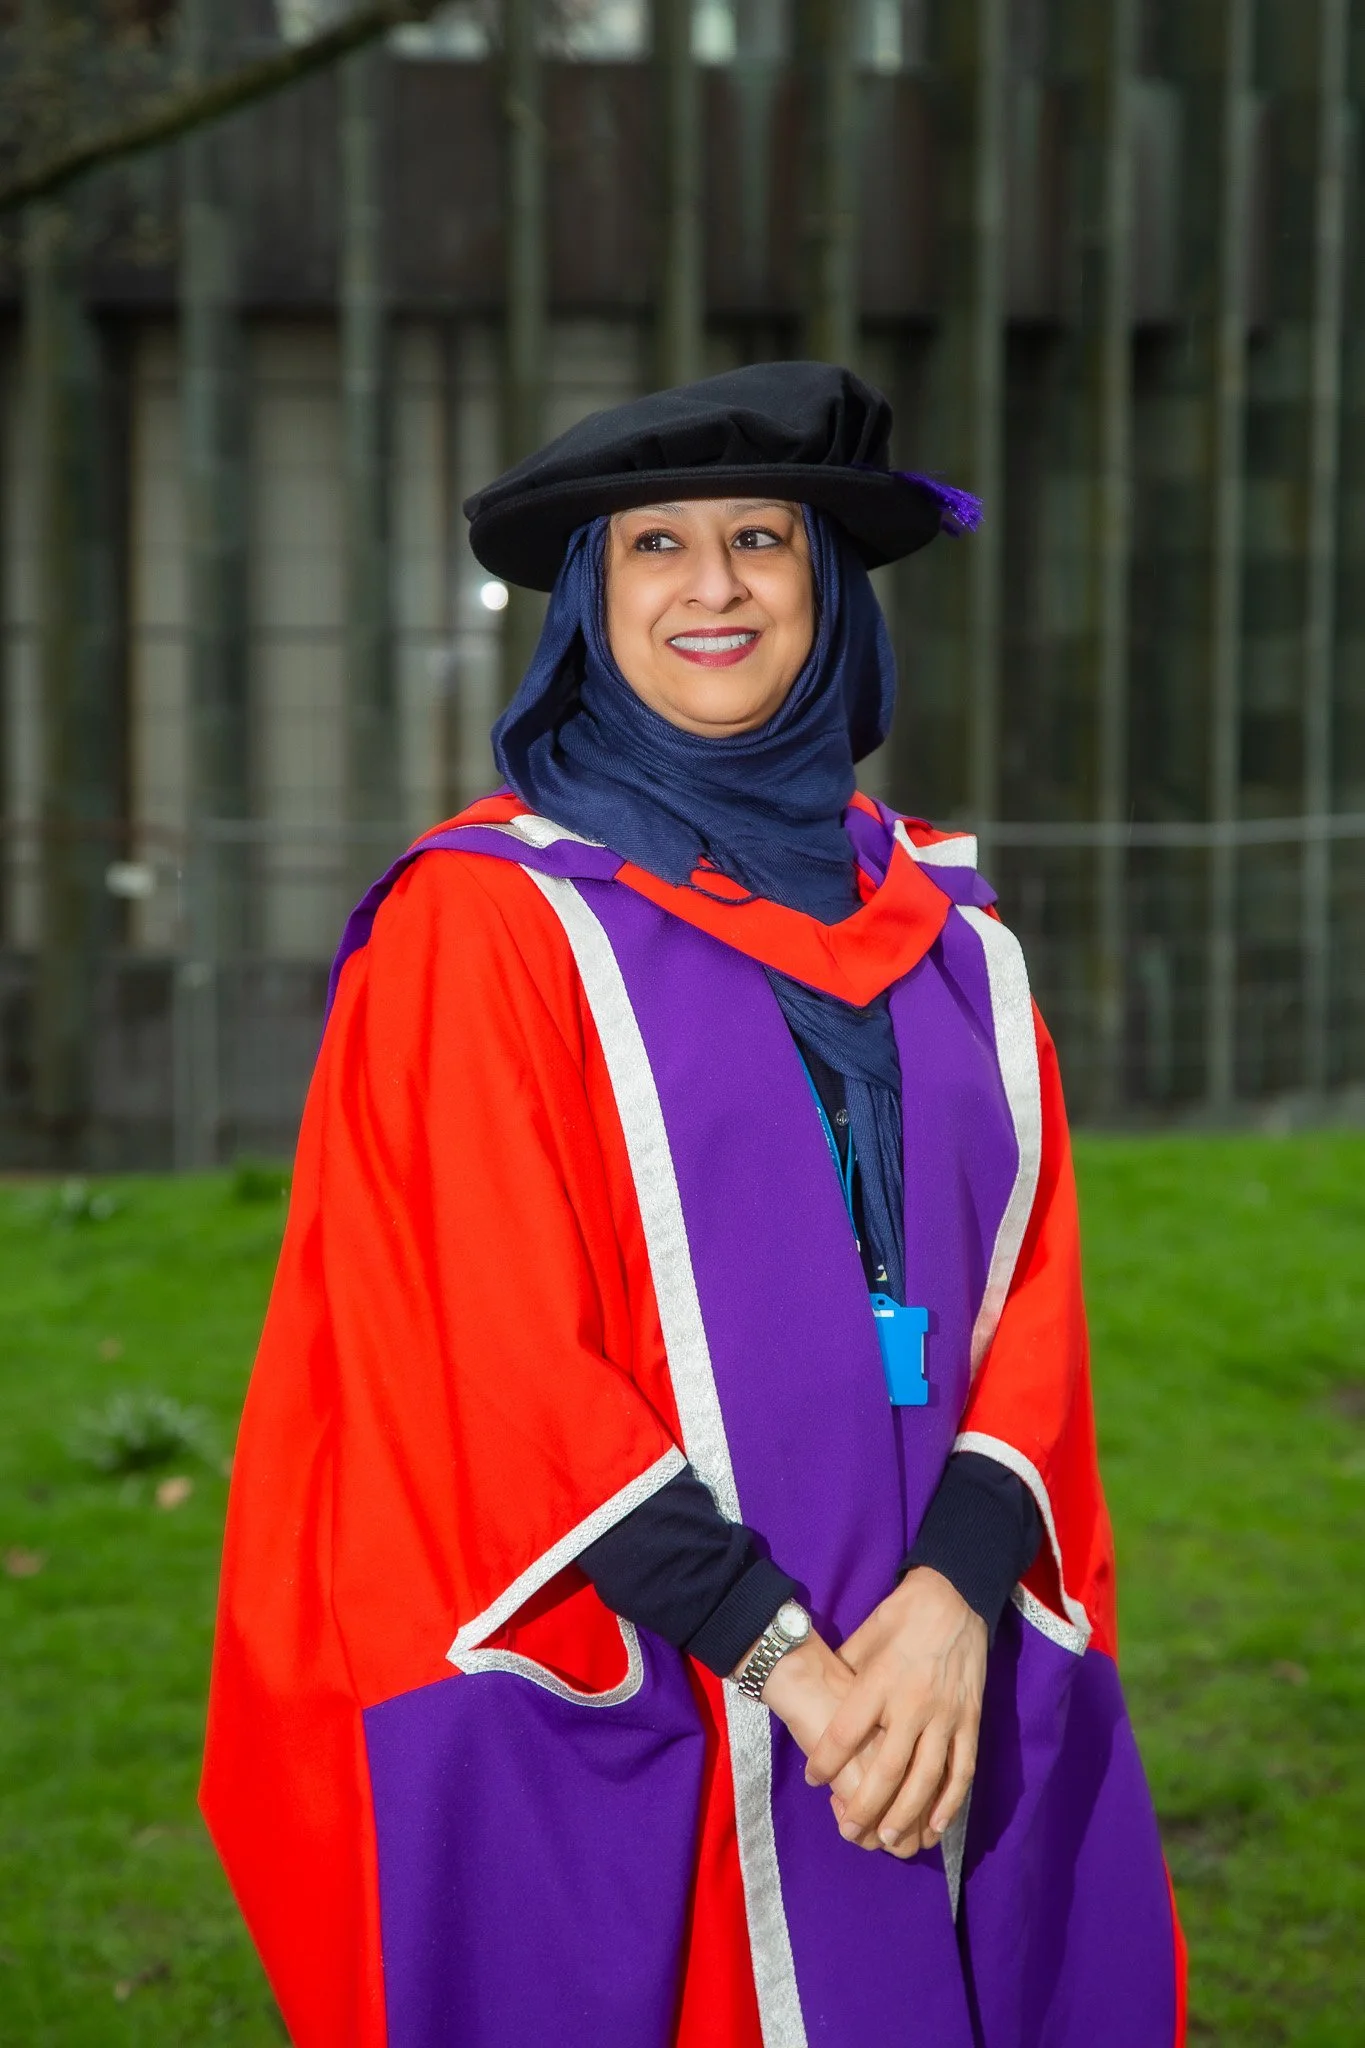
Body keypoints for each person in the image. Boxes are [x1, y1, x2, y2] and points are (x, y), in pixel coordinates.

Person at [202, 361, 1186, 2048]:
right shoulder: (490, 927)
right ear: (591, 602)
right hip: (657, 1661)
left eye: (759, 539)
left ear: (829, 584)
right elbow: (485, 1342)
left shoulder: (952, 928)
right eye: (654, 545)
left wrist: (951, 1607)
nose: (713, 586)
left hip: (928, 1635)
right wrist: (795, 1670)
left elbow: (1036, 1280)